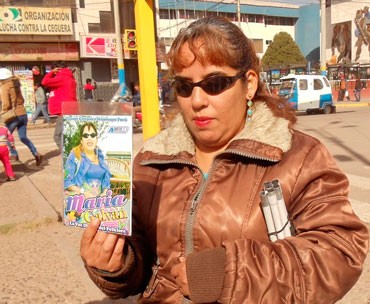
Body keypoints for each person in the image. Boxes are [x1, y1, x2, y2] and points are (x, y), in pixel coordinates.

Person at [80, 17, 369, 303]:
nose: (197, 100)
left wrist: (229, 272)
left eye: (215, 83)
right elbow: (142, 264)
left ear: (250, 84)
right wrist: (117, 264)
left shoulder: (298, 157)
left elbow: (340, 251)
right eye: (184, 86)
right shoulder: (151, 161)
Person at [0, 68, 43, 166]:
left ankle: (14, 154)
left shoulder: (5, 86)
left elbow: (6, 104)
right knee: (23, 137)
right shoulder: (16, 84)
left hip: (13, 115)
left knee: (4, 136)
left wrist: (2, 113)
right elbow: (22, 100)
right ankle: (35, 153)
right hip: (23, 114)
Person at [64, 122, 111, 198]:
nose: (89, 138)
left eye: (92, 135)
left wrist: (105, 193)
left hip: (99, 203)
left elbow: (106, 183)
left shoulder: (101, 157)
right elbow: (66, 181)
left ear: (96, 139)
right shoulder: (75, 155)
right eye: (86, 135)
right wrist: (83, 192)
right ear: (81, 140)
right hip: (79, 203)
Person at [42, 61, 77, 151]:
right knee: (66, 137)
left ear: (57, 69)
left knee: (58, 137)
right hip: (69, 110)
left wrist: (51, 73)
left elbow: (45, 82)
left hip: (65, 111)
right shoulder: (69, 77)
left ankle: (69, 157)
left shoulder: (62, 78)